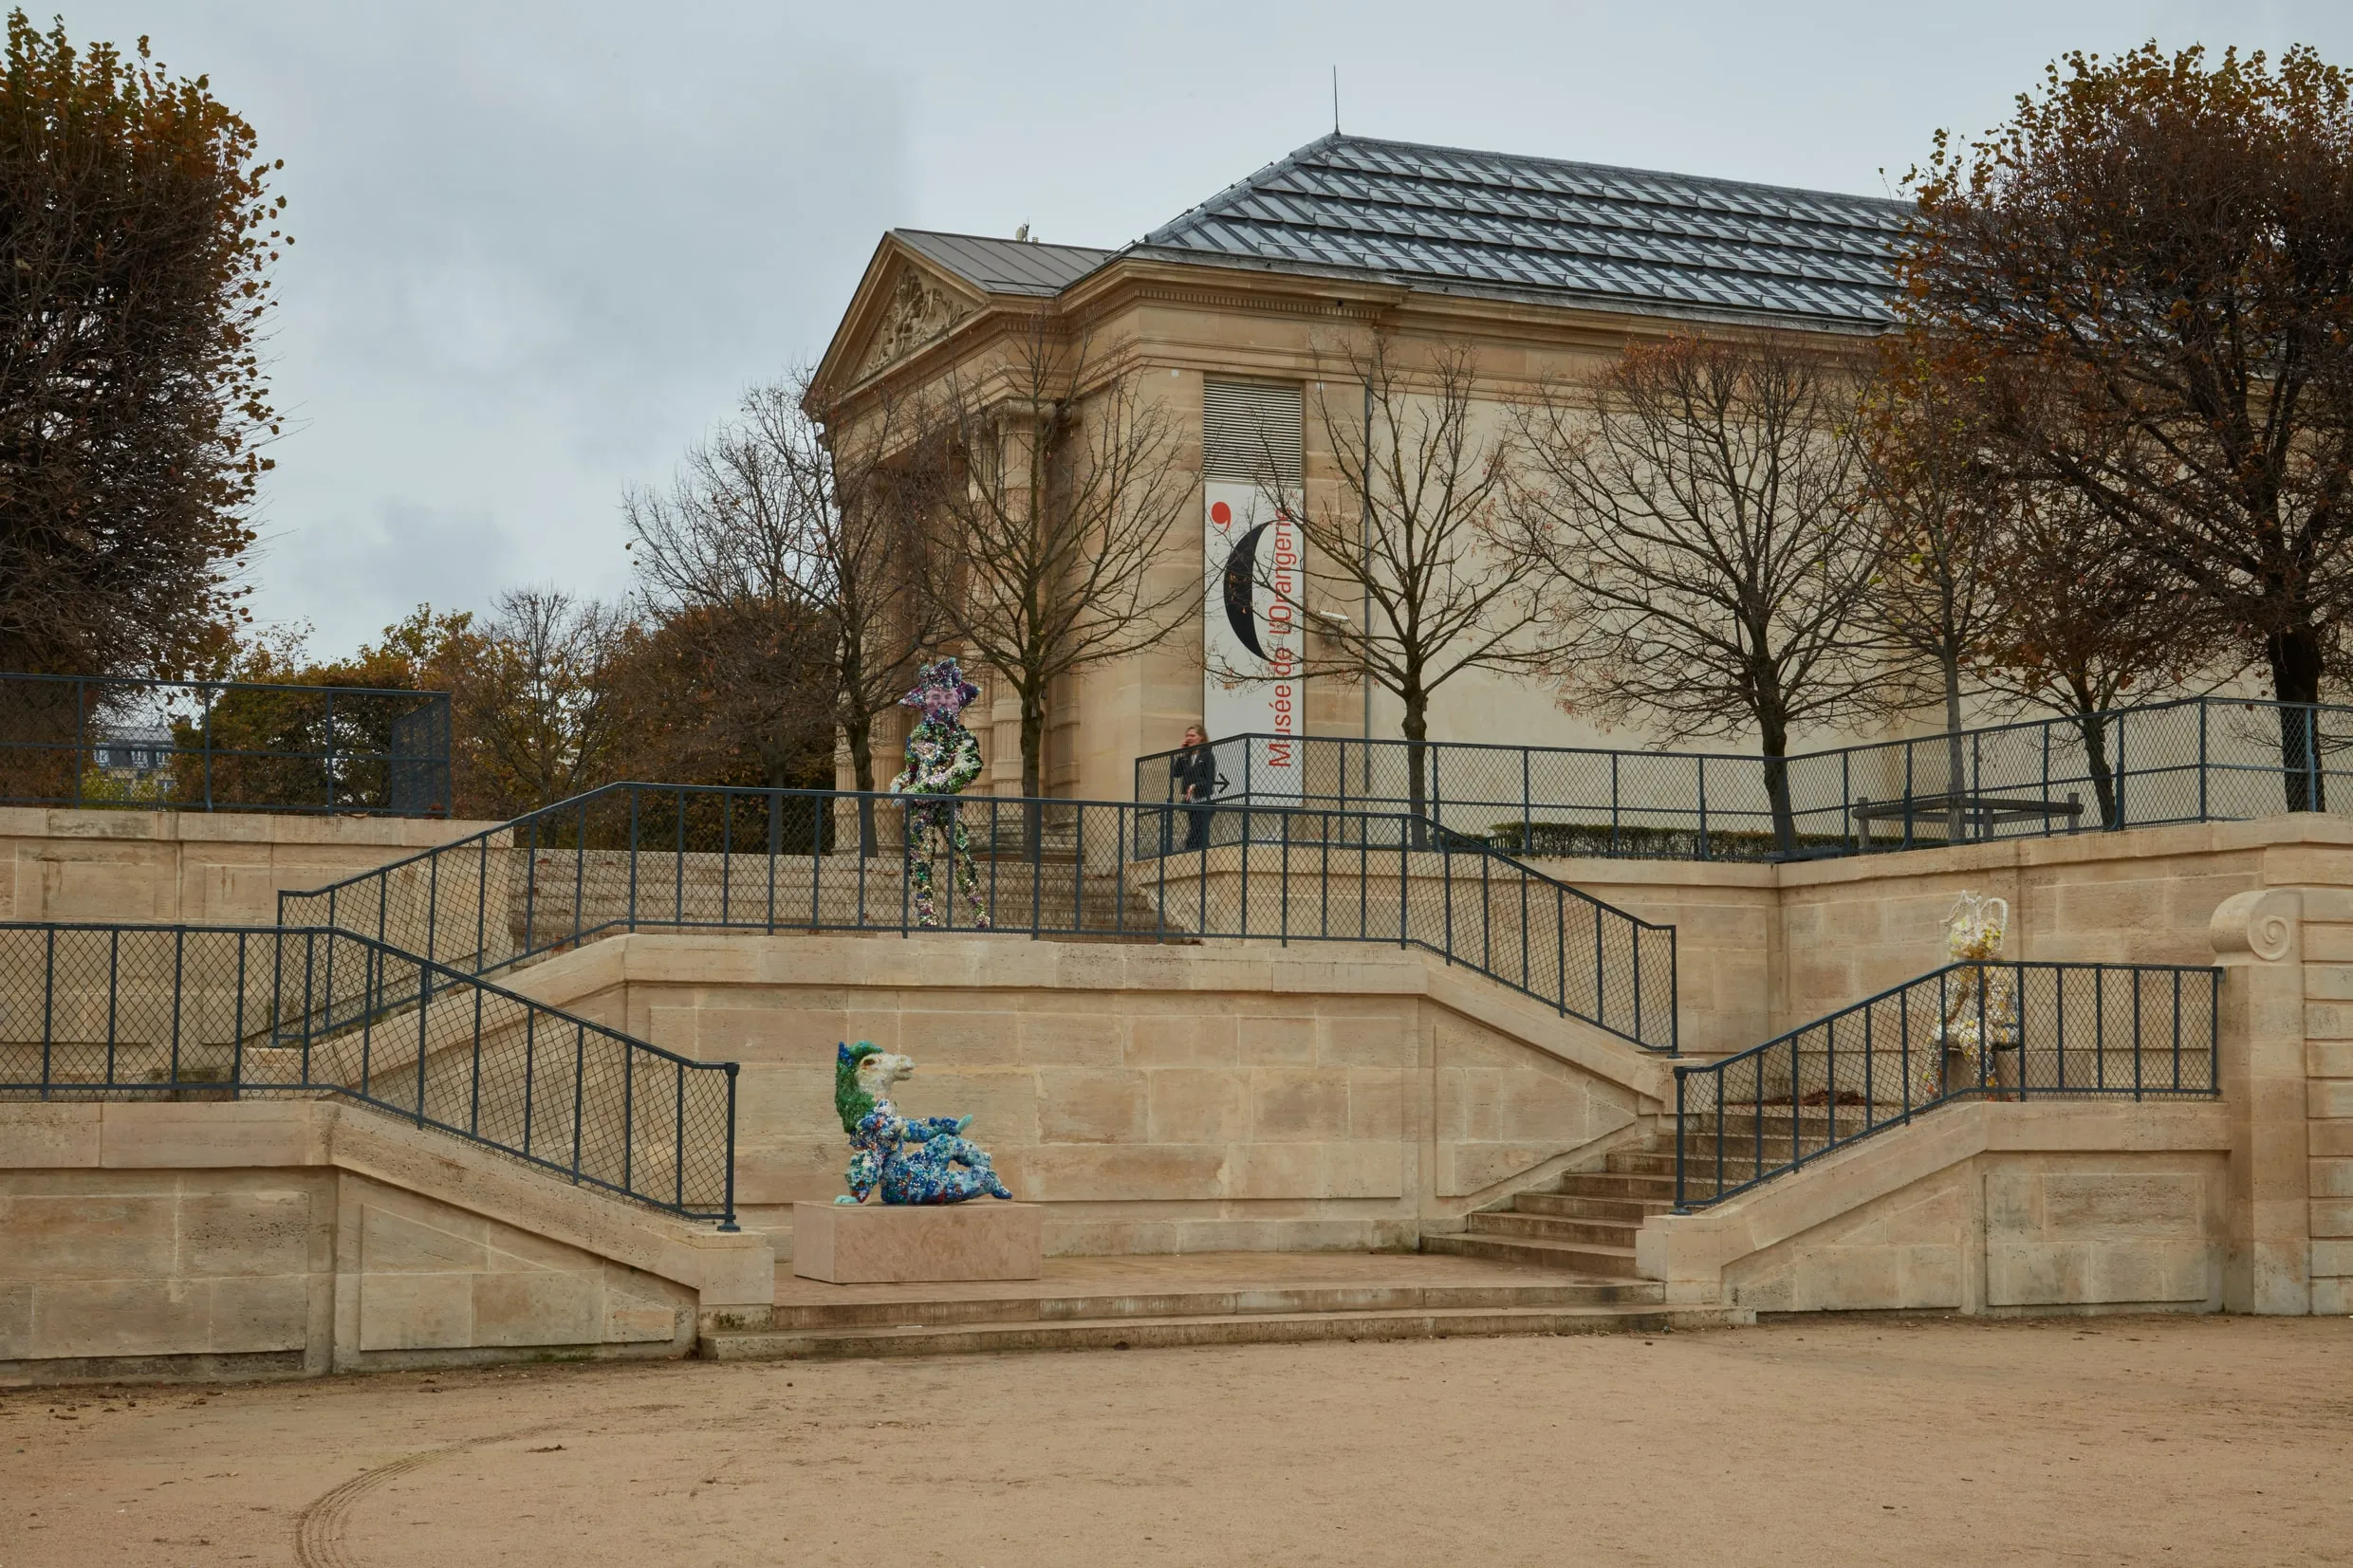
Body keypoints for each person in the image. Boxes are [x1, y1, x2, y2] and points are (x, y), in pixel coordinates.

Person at [1170, 723, 1219, 852]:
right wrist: (1181, 753)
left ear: (1201, 738)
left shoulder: (1207, 756)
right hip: (1192, 801)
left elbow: (1210, 780)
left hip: (1204, 800)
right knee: (1196, 830)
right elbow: (1176, 773)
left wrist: (1195, 786)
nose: (1189, 738)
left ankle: (1194, 854)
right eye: (1187, 736)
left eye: (1192, 735)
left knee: (1197, 832)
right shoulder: (1187, 757)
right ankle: (1199, 853)